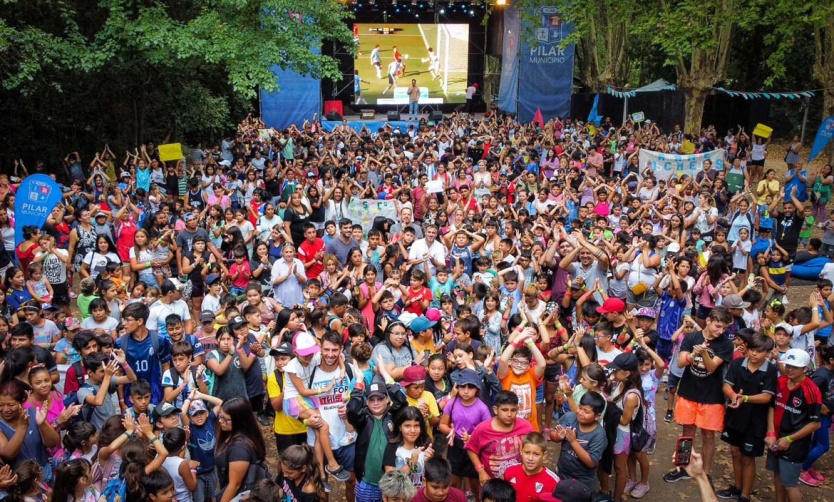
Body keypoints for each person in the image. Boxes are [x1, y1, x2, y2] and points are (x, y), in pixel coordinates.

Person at [664, 307, 734, 483]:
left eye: (724, 328)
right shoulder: (691, 337)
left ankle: (706, 472)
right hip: (689, 391)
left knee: (708, 436)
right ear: (708, 321)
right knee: (687, 432)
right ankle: (682, 466)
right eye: (718, 326)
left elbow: (711, 367)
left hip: (712, 396)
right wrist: (693, 355)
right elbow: (680, 363)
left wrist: (703, 354)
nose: (721, 331)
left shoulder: (725, 344)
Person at [716, 333, 777, 502]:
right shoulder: (737, 364)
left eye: (759, 351)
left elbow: (767, 397)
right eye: (752, 349)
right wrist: (733, 395)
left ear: (767, 353)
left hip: (755, 422)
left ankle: (745, 495)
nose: (754, 354)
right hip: (735, 417)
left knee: (748, 457)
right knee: (735, 452)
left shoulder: (770, 370)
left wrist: (746, 398)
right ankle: (737, 487)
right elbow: (727, 385)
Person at [214, 396, 268, 502]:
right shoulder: (232, 433)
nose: (220, 421)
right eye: (220, 416)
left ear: (239, 420)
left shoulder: (239, 449)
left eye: (225, 419)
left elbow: (235, 485)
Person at [501, 432, 559, 501]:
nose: (530, 458)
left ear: (544, 455)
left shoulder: (553, 481)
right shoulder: (510, 471)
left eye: (536, 454)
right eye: (527, 453)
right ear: (521, 451)